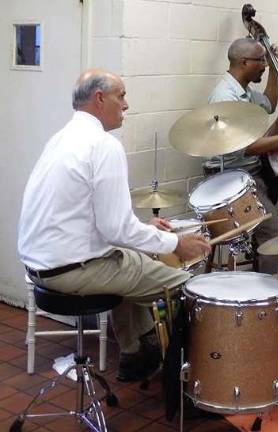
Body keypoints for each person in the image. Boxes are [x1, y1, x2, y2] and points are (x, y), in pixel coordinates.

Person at [18, 69, 212, 382]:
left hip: (40, 265)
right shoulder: (103, 145)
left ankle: (135, 354)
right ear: (99, 99)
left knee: (133, 259)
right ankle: (189, 385)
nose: (126, 105)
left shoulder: (61, 139)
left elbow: (93, 218)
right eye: (120, 96)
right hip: (70, 271)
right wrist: (177, 243)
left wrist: (143, 228)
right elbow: (115, 230)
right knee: (188, 289)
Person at [207, 38, 278, 273]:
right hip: (231, 178)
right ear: (244, 62)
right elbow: (241, 147)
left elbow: (268, 103)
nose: (265, 65)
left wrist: (276, 69)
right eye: (262, 60)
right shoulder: (226, 97)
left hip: (252, 172)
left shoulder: (243, 91)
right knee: (274, 239)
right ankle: (270, 296)